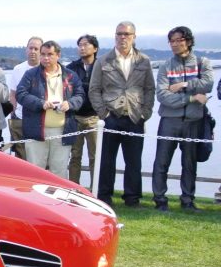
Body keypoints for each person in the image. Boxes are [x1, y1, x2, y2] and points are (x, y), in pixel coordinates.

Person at [89, 21, 155, 207]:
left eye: (127, 34)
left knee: (134, 161)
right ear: (115, 36)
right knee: (106, 161)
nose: (123, 37)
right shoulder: (103, 60)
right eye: (119, 34)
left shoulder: (144, 61)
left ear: (134, 36)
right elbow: (94, 90)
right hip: (111, 117)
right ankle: (104, 196)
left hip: (135, 117)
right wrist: (104, 114)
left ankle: (132, 198)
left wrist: (145, 113)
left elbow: (149, 88)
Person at [152, 26, 214, 212]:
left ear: (188, 41)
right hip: (169, 120)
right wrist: (191, 97)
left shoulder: (202, 62)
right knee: (161, 162)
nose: (175, 44)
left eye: (179, 40)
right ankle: (160, 200)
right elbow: (162, 96)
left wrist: (184, 84)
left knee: (189, 163)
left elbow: (208, 84)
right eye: (172, 41)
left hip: (194, 120)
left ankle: (187, 200)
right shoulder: (166, 65)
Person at [16, 41, 84, 179]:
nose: (46, 58)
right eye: (43, 54)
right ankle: (34, 199)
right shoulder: (30, 74)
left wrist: (69, 104)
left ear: (58, 55)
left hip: (62, 131)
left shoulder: (70, 76)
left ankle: (57, 200)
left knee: (59, 172)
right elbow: (20, 94)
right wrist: (40, 103)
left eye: (50, 54)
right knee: (35, 172)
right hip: (36, 130)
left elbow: (80, 95)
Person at [65, 34, 100, 187]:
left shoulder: (101, 66)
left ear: (95, 48)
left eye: (86, 44)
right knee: (75, 156)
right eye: (80, 45)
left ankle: (95, 188)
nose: (82, 47)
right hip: (75, 117)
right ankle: (74, 188)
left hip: (95, 117)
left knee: (95, 156)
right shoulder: (71, 68)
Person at [8, 37, 43, 160]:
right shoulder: (18, 69)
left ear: (41, 51)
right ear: (26, 50)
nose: (33, 51)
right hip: (20, 118)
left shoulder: (45, 69)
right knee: (20, 155)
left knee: (39, 156)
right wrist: (13, 113)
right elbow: (12, 93)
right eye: (30, 48)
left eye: (36, 49)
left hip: (40, 119)